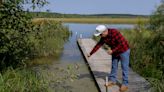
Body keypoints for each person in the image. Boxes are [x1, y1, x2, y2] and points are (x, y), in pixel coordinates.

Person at [87, 25, 130, 92]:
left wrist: (112, 51)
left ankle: (125, 84)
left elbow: (121, 43)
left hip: (124, 50)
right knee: (114, 66)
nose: (100, 36)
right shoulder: (104, 37)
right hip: (115, 51)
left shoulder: (114, 32)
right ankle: (113, 80)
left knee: (124, 67)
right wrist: (90, 53)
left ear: (104, 31)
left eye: (100, 34)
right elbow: (98, 45)